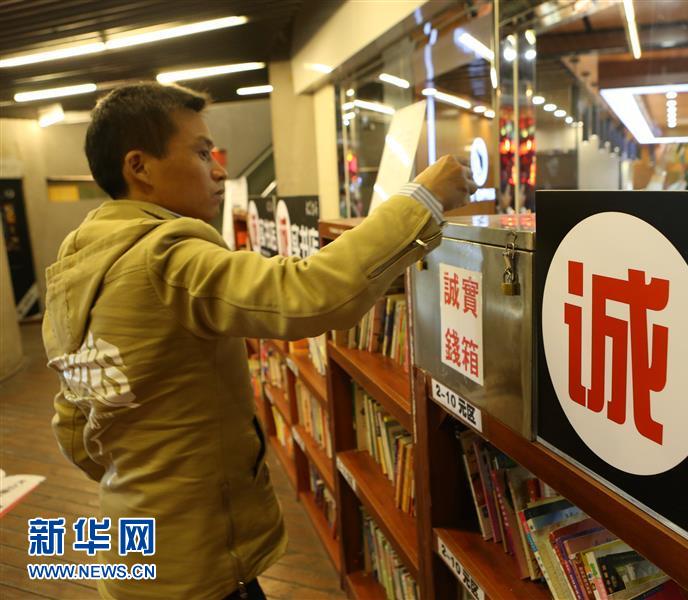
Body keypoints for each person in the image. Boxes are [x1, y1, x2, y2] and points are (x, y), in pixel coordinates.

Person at [41, 82, 476, 600]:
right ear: (139, 167)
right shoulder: (164, 255)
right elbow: (309, 294)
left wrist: (141, 470)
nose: (220, 170)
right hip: (200, 562)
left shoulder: (79, 261)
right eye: (203, 153)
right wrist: (422, 199)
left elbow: (72, 423)